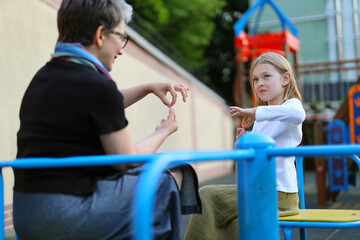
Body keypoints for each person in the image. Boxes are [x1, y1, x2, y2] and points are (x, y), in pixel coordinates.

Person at [13, 1, 201, 239]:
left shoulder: (45, 77)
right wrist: (163, 131)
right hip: (63, 216)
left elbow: (94, 106)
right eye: (121, 36)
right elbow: (128, 162)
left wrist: (147, 88)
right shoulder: (98, 86)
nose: (121, 49)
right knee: (166, 179)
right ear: (101, 34)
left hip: (25, 215)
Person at [184, 52, 306, 240]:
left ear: (285, 79)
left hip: (281, 194)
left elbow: (298, 114)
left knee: (207, 194)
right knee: (231, 222)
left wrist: (255, 111)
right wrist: (243, 142)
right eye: (255, 79)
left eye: (266, 76)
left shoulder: (290, 106)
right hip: (261, 188)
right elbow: (256, 158)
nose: (259, 83)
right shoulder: (261, 118)